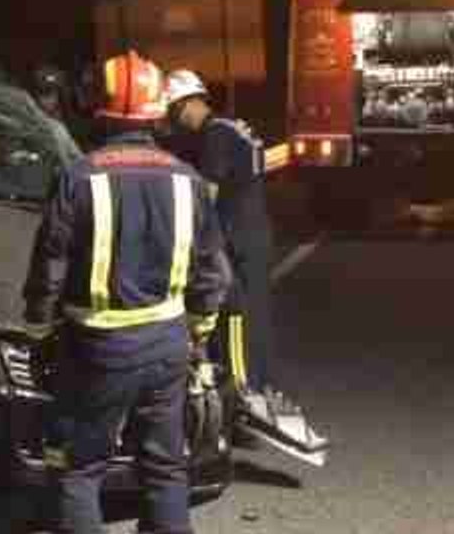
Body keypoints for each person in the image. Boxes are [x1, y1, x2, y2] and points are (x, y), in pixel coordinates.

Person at [23, 49, 230, 534]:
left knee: (78, 468)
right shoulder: (187, 179)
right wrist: (198, 333)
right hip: (168, 345)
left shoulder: (79, 176)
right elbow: (213, 274)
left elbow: (49, 265)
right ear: (156, 112)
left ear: (99, 109)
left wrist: (39, 326)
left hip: (99, 348)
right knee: (165, 468)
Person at [160, 68, 309, 441]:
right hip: (255, 231)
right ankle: (261, 389)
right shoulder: (232, 127)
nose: (176, 123)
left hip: (238, 239)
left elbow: (207, 195)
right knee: (257, 316)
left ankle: (246, 396)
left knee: (236, 320)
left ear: (187, 104)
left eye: (175, 113)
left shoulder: (214, 136)